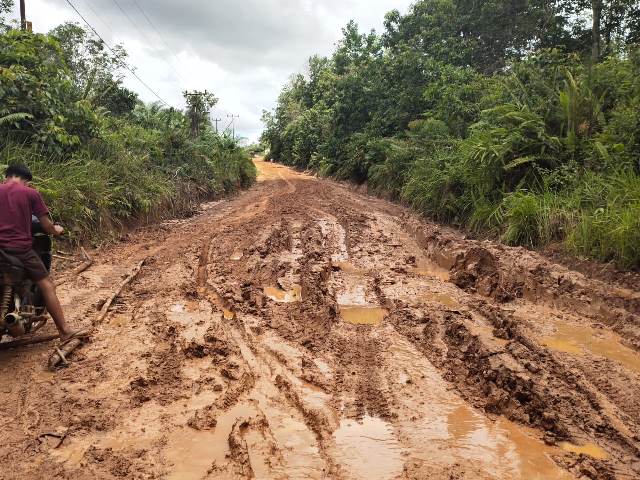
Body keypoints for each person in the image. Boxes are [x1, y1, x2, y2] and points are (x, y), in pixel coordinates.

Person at [0, 164, 85, 343]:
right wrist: (57, 230)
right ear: (26, 180)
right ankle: (64, 331)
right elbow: (46, 225)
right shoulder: (30, 193)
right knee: (47, 285)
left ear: (6, 176)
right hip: (20, 249)